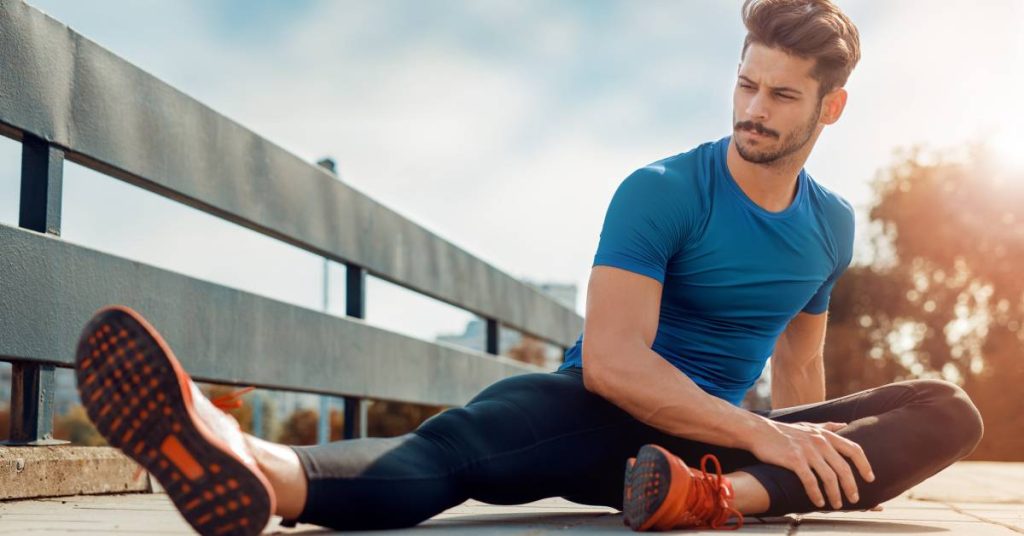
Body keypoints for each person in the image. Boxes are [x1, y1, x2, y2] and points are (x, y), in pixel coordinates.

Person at [74, 1, 984, 534]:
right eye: (746, 83)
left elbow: (798, 375)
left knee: (945, 408)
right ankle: (260, 468)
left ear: (832, 109)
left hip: (717, 460)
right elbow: (619, 366)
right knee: (472, 442)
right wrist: (772, 440)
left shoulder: (830, 227)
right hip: (614, 420)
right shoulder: (662, 189)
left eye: (782, 95)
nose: (754, 109)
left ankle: (713, 503)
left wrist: (790, 449)